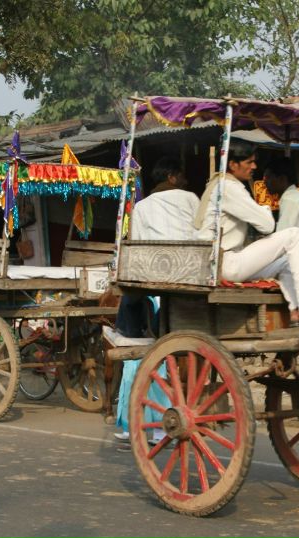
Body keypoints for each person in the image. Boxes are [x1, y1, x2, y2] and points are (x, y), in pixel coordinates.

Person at [194, 139, 299, 326]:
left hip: (222, 263)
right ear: (232, 164)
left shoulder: (221, 184)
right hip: (225, 264)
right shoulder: (229, 188)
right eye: (249, 162)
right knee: (295, 235)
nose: (254, 166)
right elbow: (267, 225)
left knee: (287, 260)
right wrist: (263, 207)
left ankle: (295, 311)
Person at [115, 156, 197, 445]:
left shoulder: (142, 207)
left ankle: (138, 421)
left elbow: (137, 247)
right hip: (191, 283)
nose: (186, 180)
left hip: (154, 288)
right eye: (182, 175)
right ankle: (159, 422)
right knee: (167, 359)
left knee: (141, 352)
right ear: (172, 176)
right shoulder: (191, 199)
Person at [130, 156, 199, 241]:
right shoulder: (190, 198)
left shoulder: (140, 206)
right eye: (181, 177)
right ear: (171, 178)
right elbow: (201, 231)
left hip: (151, 253)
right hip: (188, 253)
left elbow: (135, 239)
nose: (185, 181)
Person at [264, 157, 299, 231]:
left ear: (282, 179)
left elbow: (283, 235)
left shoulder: (290, 200)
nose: (265, 182)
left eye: (268, 177)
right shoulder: (295, 196)